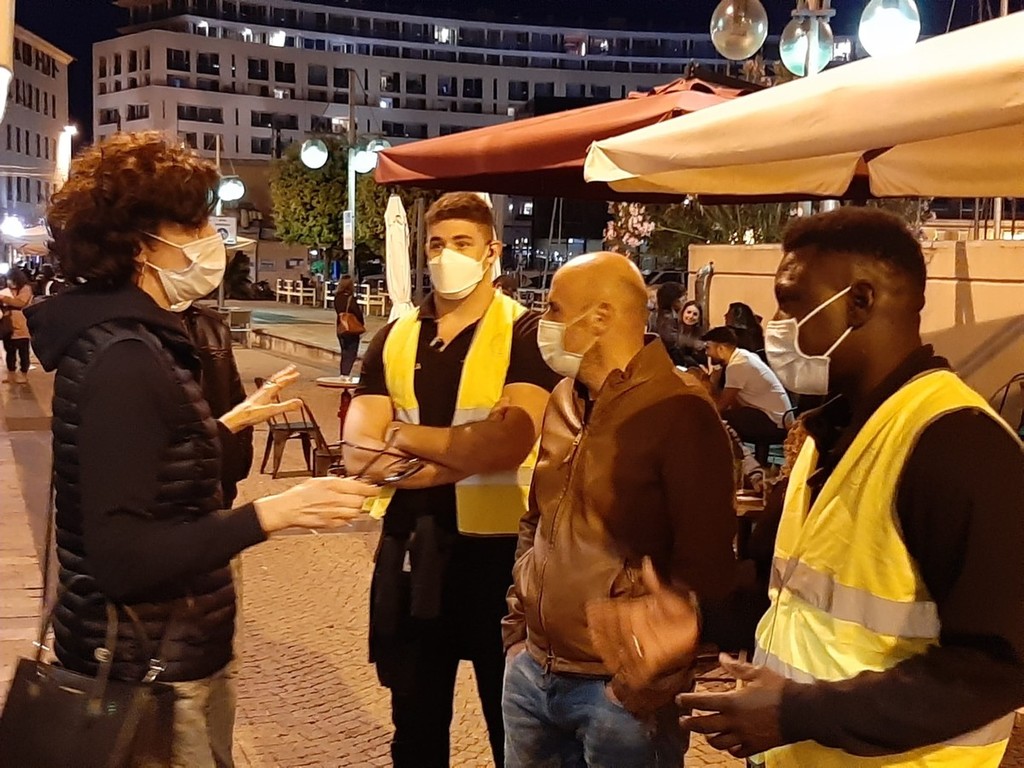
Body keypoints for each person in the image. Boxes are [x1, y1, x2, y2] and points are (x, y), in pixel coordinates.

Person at [586, 207, 1024, 766]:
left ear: (859, 301)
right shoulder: (828, 435)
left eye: (790, 302)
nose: (775, 323)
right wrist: (697, 621)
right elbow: (792, 600)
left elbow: (999, 667)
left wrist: (794, 713)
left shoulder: (958, 445)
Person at [26, 131, 378, 767]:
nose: (210, 238)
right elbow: (123, 556)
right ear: (140, 243)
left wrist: (216, 429)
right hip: (148, 671)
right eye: (193, 224)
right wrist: (272, 513)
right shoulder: (125, 356)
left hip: (162, 654)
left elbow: (138, 470)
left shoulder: (132, 340)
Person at [343, 191, 559, 768]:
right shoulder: (394, 336)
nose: (446, 256)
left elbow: (508, 442)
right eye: (436, 245)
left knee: (513, 731)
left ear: (492, 252)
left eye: (462, 243)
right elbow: (358, 452)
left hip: (502, 560)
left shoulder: (525, 332)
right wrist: (464, 453)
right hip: (411, 549)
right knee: (414, 729)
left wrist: (401, 434)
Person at [501, 252, 739, 767]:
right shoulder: (563, 398)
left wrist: (643, 686)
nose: (543, 322)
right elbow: (537, 518)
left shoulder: (678, 408)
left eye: (554, 308)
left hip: (619, 696)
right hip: (532, 675)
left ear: (600, 317)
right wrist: (517, 632)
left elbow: (707, 563)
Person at [703, 325, 792, 447]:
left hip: (773, 422)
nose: (707, 353)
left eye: (708, 348)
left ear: (721, 348)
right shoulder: (744, 355)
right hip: (779, 418)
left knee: (715, 419)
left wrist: (710, 383)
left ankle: (732, 456)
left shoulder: (737, 365)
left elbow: (721, 405)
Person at [1, 267, 34, 383]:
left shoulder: (25, 289)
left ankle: (23, 374)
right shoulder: (7, 290)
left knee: (23, 352)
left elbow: (20, 302)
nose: (9, 281)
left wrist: (4, 298)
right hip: (8, 326)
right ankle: (11, 375)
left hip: (21, 326)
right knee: (9, 352)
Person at [334, 276, 364, 376]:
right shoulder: (350, 299)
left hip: (340, 327)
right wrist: (361, 324)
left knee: (344, 352)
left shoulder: (337, 298)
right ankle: (345, 374)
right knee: (351, 353)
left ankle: (343, 373)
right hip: (350, 329)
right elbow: (357, 313)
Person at [651, 281, 685, 364]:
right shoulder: (668, 317)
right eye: (683, 299)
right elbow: (670, 340)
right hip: (666, 358)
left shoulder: (656, 314)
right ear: (674, 301)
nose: (684, 302)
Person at [678, 299, 707, 367]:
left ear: (699, 318)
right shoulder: (674, 328)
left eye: (695, 314)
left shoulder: (702, 334)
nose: (691, 316)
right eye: (688, 312)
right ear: (683, 313)